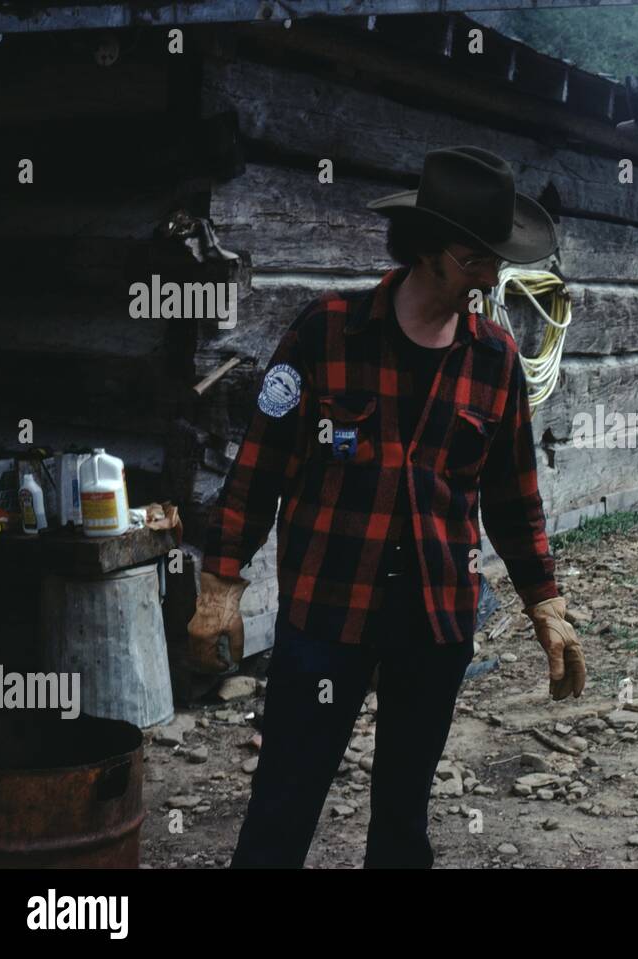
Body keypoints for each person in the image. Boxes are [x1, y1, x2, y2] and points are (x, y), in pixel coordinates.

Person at [186, 146, 586, 868]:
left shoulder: (494, 359)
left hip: (434, 620)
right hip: (327, 614)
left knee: (402, 819)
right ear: (427, 252)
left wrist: (545, 605)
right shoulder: (323, 333)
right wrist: (220, 582)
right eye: (475, 260)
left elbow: (514, 498)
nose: (492, 276)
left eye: (496, 258)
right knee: (283, 803)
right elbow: (258, 467)